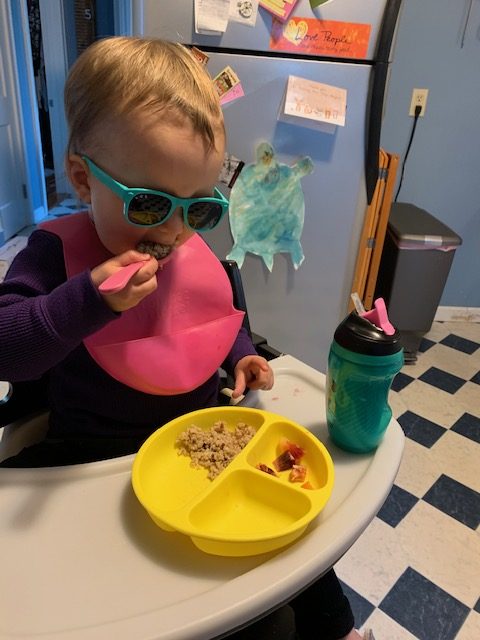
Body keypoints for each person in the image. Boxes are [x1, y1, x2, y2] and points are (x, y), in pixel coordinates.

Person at [0, 37, 372, 640]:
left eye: (199, 209)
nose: (174, 232)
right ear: (83, 180)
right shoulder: (53, 253)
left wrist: (241, 353)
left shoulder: (185, 246)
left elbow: (212, 314)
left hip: (203, 450)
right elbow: (8, 346)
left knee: (300, 557)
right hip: (93, 459)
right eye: (150, 205)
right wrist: (83, 302)